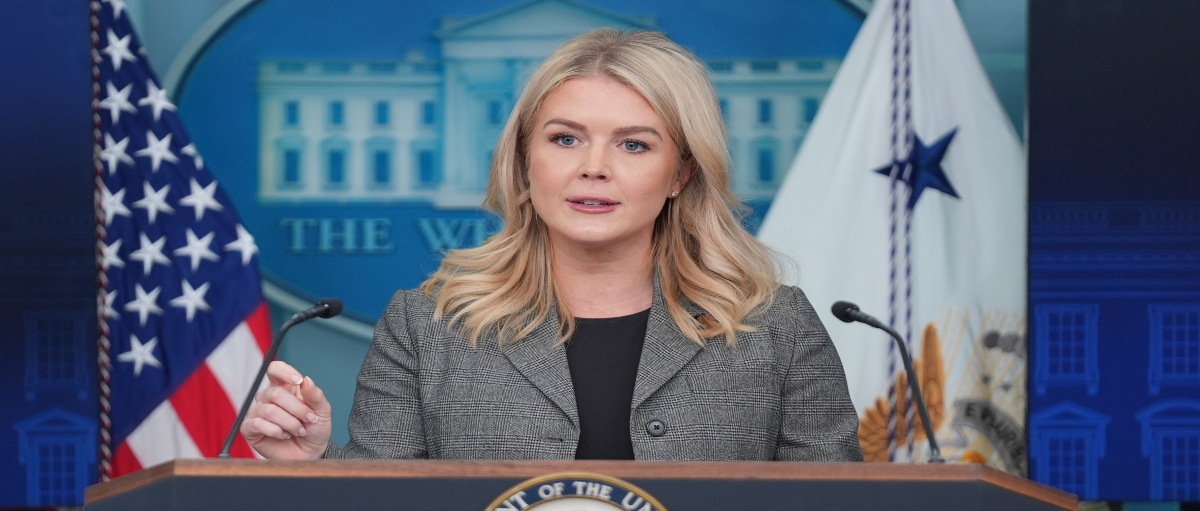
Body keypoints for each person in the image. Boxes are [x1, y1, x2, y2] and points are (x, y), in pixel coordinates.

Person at [242, 29, 863, 463]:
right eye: (565, 139)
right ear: (524, 160)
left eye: (634, 144)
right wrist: (311, 460)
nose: (593, 168)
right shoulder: (428, 326)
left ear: (681, 175)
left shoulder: (775, 326)